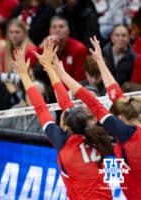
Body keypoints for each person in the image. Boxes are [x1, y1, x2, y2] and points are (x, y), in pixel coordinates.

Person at [12, 42, 113, 199]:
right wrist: (48, 67)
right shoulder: (95, 137)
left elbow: (40, 107)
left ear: (66, 127)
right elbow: (65, 104)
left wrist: (24, 75)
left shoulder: (64, 144)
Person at [54, 36, 141, 200]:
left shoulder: (127, 135)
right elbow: (117, 95)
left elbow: (92, 103)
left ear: (120, 118)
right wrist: (100, 61)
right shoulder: (133, 123)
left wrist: (64, 76)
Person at [40, 15, 88, 82]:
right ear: (50, 31)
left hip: (72, 88)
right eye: (54, 27)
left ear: (68, 31)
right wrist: (43, 45)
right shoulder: (46, 46)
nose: (58, 30)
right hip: (50, 87)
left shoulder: (79, 49)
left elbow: (80, 79)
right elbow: (31, 63)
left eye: (61, 26)